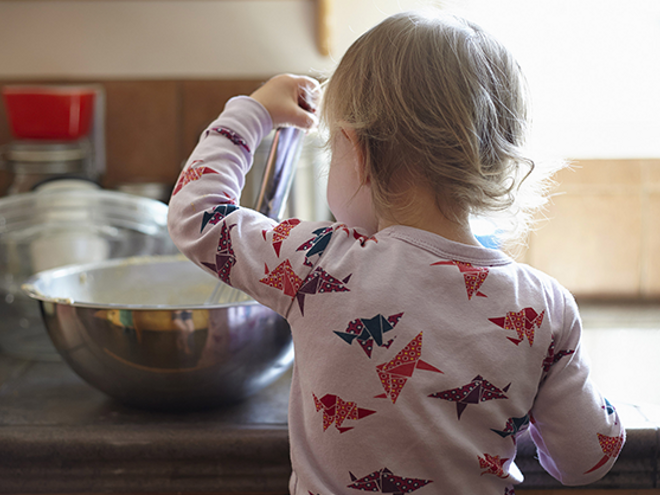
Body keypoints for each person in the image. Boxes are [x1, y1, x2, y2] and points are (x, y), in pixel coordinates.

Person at [168, 10, 624, 494]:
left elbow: (197, 216)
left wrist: (253, 112)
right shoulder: (543, 307)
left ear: (358, 152)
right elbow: (585, 459)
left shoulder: (319, 263)